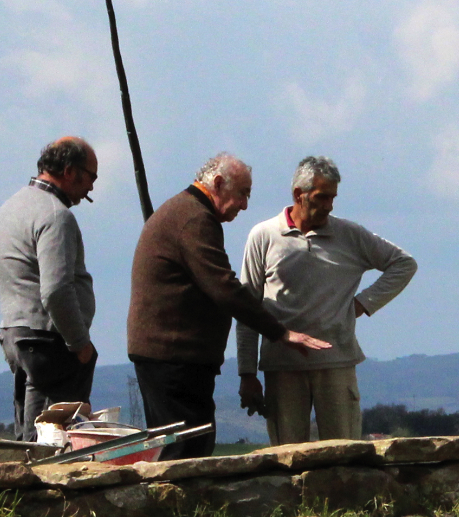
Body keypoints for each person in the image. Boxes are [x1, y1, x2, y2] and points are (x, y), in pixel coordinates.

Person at [127, 152, 331, 459]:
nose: (245, 205)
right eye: (242, 194)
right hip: (174, 356)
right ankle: (183, 507)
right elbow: (224, 288)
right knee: (185, 451)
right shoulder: (195, 218)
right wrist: (280, 332)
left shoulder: (183, 211)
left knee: (181, 444)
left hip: (167, 353)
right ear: (219, 184)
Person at [237, 156, 417, 445]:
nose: (329, 205)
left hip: (336, 363)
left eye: (332, 197)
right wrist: (246, 373)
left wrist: (362, 304)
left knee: (345, 456)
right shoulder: (264, 236)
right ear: (299, 194)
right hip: (282, 368)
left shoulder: (349, 235)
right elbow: (246, 308)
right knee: (287, 459)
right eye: (322, 197)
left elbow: (404, 264)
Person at [0, 137, 99, 442]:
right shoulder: (55, 215)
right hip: (49, 342)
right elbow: (55, 291)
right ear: (69, 171)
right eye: (90, 177)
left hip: (18, 335)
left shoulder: (11, 207)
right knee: (53, 442)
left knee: (30, 437)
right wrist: (80, 343)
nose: (91, 187)